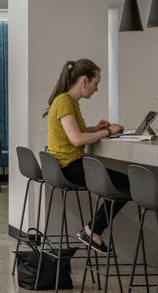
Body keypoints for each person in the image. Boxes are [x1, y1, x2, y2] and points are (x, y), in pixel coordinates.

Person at [43, 57, 129, 251]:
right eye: (95, 83)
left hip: (65, 165)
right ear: (84, 80)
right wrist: (107, 132)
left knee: (122, 184)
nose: (96, 88)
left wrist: (95, 128)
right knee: (126, 184)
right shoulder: (65, 102)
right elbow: (76, 139)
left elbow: (75, 133)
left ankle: (92, 230)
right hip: (69, 166)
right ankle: (93, 231)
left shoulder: (68, 102)